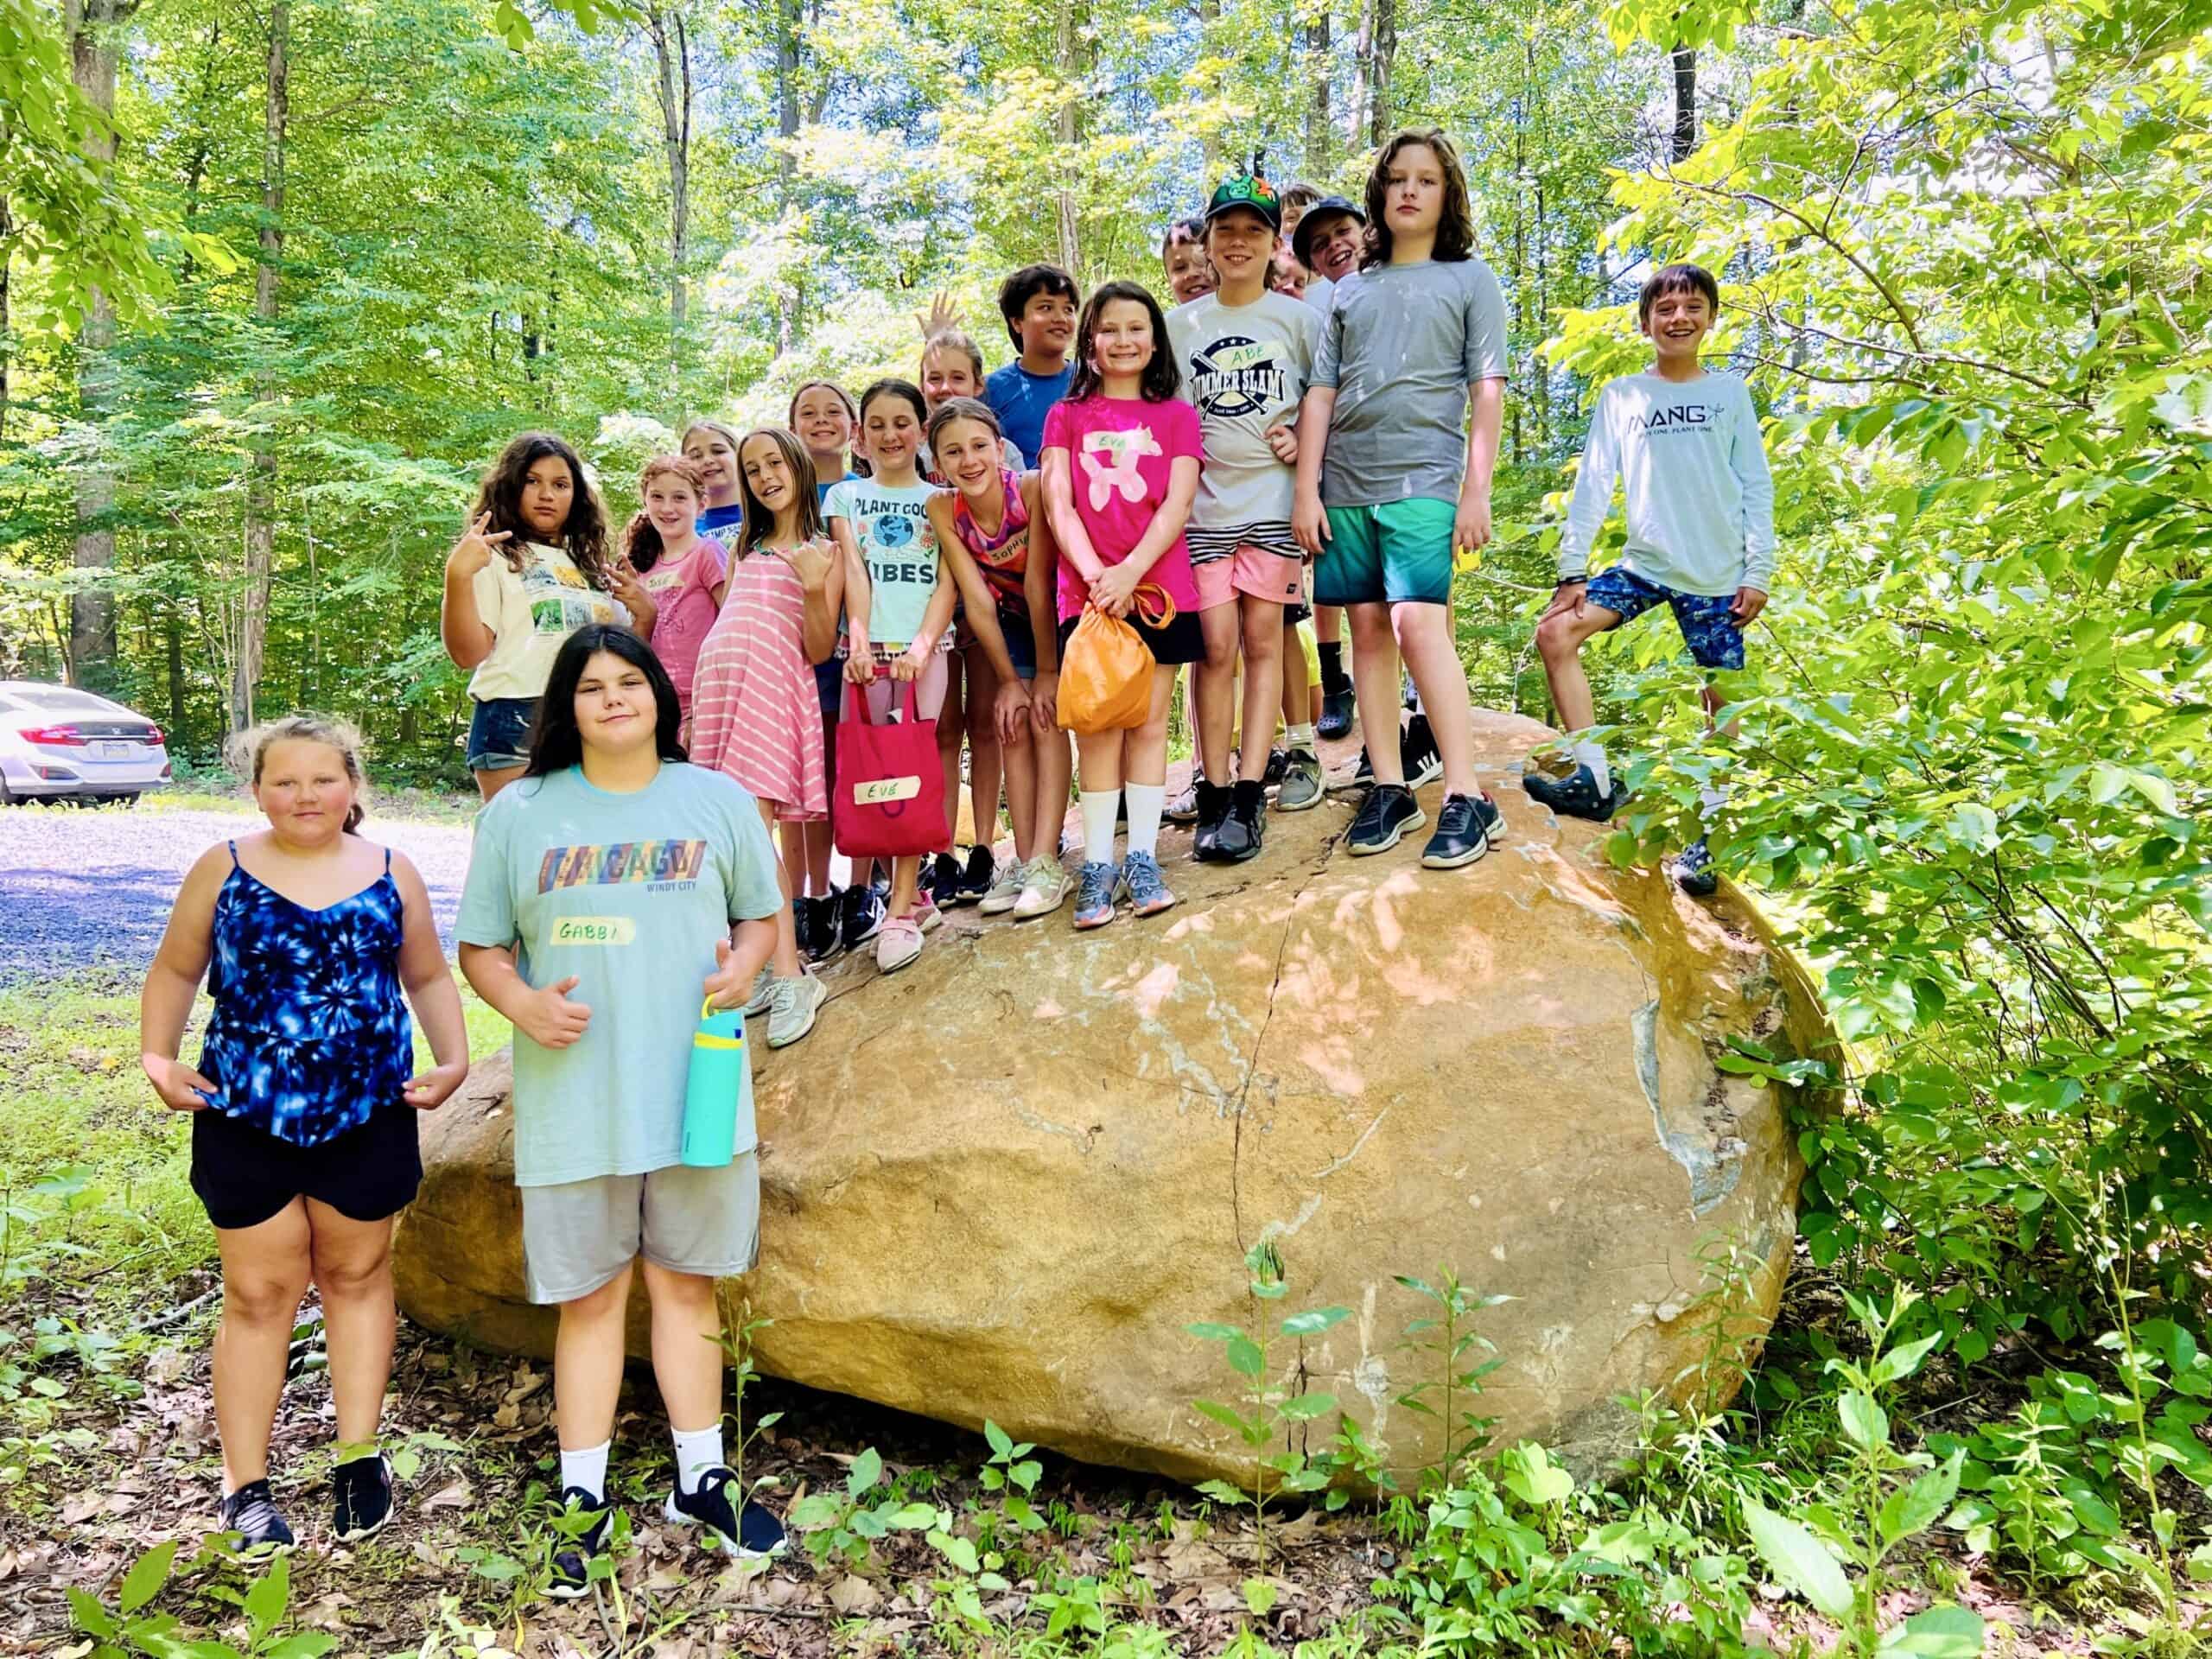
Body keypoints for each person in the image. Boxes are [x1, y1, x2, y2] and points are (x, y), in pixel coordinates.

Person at [456, 626, 788, 1593]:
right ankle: (583, 1498)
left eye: (629, 681)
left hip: (698, 1084)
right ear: (567, 705)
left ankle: (703, 1479)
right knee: (592, 1298)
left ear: (659, 696)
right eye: (591, 686)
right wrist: (521, 1003)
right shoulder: (520, 812)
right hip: (575, 1099)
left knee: (688, 1285)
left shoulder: (715, 799)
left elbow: (761, 916)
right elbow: (482, 945)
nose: (613, 699)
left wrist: (746, 963)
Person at [141, 715, 469, 1552]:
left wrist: (454, 1057)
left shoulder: (393, 871)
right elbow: (177, 969)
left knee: (357, 1273)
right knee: (259, 1292)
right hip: (245, 1109)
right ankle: (244, 1486)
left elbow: (426, 973)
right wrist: (157, 1056)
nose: (304, 796)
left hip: (368, 1109)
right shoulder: (224, 868)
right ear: (257, 791)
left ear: (352, 785)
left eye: (322, 779)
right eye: (283, 781)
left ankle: (358, 1458)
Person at [1293, 127, 1510, 871]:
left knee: (1419, 624)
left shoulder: (1469, 279)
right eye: (1398, 180)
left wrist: (1475, 490)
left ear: (1447, 196)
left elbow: (1486, 391)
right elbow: (1320, 394)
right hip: (1347, 481)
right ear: (1380, 195)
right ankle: (1389, 784)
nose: (1410, 190)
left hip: (1425, 476)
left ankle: (1466, 792)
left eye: (1427, 180)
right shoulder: (1348, 292)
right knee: (1368, 632)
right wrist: (1306, 489)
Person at [1525, 263, 1774, 897]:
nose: (1679, 318)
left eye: (1692, 307)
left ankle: (1710, 839)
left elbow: (1755, 486)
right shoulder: (1624, 395)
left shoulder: (1729, 395)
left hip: (1718, 578)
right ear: (1645, 323)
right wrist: (1571, 571)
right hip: (1644, 567)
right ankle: (1596, 781)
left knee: (1722, 706)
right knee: (1554, 636)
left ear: (1711, 318)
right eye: (1665, 309)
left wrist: (1758, 570)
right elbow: (1592, 485)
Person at [830, 378, 1030, 972]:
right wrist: (860, 641)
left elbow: (949, 580)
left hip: (928, 652)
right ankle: (899, 895)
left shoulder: (940, 500)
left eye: (902, 423)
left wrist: (922, 645)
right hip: (863, 655)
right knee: (870, 767)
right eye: (877, 424)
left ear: (921, 431)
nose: (890, 434)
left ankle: (900, 909)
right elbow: (855, 572)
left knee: (913, 765)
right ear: (860, 436)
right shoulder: (845, 496)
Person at [1039, 281, 1207, 929]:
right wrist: (1095, 576)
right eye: (1109, 328)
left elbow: (1178, 502)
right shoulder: (1068, 415)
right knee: (1097, 727)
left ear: (1156, 338)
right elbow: (1059, 502)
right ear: (1090, 340)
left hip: (1159, 591)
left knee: (1146, 724)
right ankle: (1098, 868)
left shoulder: (1177, 415)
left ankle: (1142, 857)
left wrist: (1131, 572)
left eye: (1137, 327)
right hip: (1088, 598)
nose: (1123, 340)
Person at [1168, 174, 1325, 866]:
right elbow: (1160, 416)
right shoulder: (1180, 325)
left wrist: (1304, 447)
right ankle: (1214, 783)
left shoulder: (1298, 319)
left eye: (1254, 231)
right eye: (1225, 231)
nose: (1238, 243)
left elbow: (1329, 402)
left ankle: (1248, 794)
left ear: (1274, 242)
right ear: (1207, 243)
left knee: (1265, 639)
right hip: (1200, 510)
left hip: (1271, 501)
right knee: (1214, 647)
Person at [687, 429, 842, 1047]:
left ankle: (790, 972)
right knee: (734, 836)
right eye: (752, 469)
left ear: (799, 465)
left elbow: (820, 646)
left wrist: (810, 584)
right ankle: (777, 966)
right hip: (723, 697)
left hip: (771, 694)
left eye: (774, 462)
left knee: (752, 832)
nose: (764, 475)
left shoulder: (824, 549)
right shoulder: (744, 549)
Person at [924, 397, 1076, 918]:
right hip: (1006, 622)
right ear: (937, 464)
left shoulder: (1029, 488)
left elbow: (1039, 587)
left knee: (1045, 718)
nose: (968, 461)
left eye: (978, 446)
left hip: (1055, 613)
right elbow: (980, 603)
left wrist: (1047, 673)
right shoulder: (943, 509)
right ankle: (1028, 854)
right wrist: (1010, 681)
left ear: (999, 448)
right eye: (953, 452)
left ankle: (1048, 859)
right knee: (1011, 719)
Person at [442, 433, 653, 802]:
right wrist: (457, 576)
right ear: (510, 486)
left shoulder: (590, 567)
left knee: (581, 850)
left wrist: (645, 616)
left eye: (560, 484)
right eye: (532, 481)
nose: (546, 494)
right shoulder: (492, 555)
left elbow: (621, 660)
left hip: (589, 715)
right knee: (521, 851)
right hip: (517, 715)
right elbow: (467, 654)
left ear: (577, 496)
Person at [918, 329, 1026, 910]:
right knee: (941, 729)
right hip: (932, 616)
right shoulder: (916, 455)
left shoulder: (1007, 466)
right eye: (935, 377)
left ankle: (984, 845)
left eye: (958, 376)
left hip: (993, 610)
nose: (944, 387)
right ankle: (942, 849)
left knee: (986, 724)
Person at [784, 385, 882, 962]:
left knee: (864, 765)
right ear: (792, 425)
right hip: (804, 652)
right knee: (815, 777)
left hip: (867, 649)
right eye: (807, 414)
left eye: (833, 413)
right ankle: (816, 895)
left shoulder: (864, 491)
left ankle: (862, 887)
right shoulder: (786, 495)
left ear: (854, 427)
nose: (821, 422)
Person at [1288, 197, 1367, 741]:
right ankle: (1336, 679)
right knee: (1333, 575)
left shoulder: (1406, 281)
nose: (1334, 246)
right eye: (1318, 241)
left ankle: (1415, 707)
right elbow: (1304, 381)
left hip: (1401, 458)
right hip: (1327, 455)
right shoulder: (1307, 301)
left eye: (1343, 231)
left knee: (1403, 594)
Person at [623, 456, 730, 734]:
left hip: (702, 698)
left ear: (701, 505)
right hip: (655, 699)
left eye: (679, 497)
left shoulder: (707, 553)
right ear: (645, 501)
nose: (667, 508)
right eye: (657, 496)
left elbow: (731, 621)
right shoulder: (642, 565)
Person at [985, 264, 1081, 470]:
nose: (1060, 318)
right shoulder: (991, 389)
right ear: (1017, 322)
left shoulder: (1091, 380)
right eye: (1046, 307)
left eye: (1068, 309)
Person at [1161, 216, 1217, 306]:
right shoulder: (1167, 320)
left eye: (1202, 262)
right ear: (1169, 282)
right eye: (1180, 268)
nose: (1191, 273)